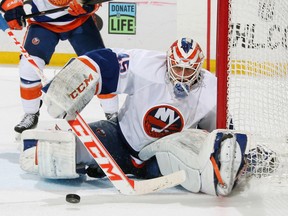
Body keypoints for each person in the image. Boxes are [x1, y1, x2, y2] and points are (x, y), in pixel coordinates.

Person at [19, 37, 257, 196]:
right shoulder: (146, 66)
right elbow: (106, 63)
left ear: (199, 67)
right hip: (120, 140)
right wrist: (78, 75)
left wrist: (230, 156)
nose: (182, 76)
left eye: (189, 70)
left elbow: (220, 134)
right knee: (46, 154)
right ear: (169, 61)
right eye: (177, 68)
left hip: (161, 157)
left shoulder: (211, 90)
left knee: (212, 168)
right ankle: (90, 161)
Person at [0, 0, 118, 134]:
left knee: (102, 65)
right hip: (42, 23)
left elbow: (93, 3)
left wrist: (88, 5)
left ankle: (112, 114)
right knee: (28, 67)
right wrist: (11, 6)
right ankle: (30, 113)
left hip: (79, 20)